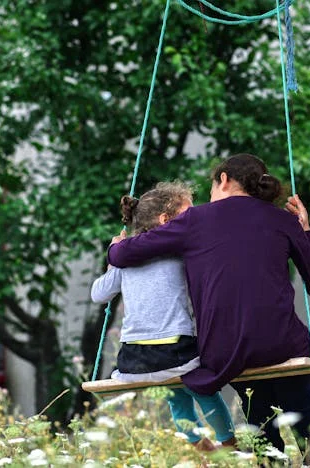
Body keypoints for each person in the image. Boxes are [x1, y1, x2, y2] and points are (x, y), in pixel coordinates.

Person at [107, 154, 310, 464]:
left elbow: (122, 255)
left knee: (262, 431)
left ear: (224, 180)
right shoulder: (282, 220)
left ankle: (271, 457)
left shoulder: (195, 220)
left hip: (226, 352)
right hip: (280, 344)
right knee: (308, 427)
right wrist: (305, 231)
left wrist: (116, 245)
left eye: (212, 187)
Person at [90, 181, 235, 451]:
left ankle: (200, 447)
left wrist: (112, 261)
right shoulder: (180, 254)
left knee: (175, 396)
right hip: (176, 353)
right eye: (188, 215)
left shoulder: (124, 258)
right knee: (205, 389)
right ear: (165, 220)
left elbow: (98, 295)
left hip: (133, 362)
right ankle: (230, 444)